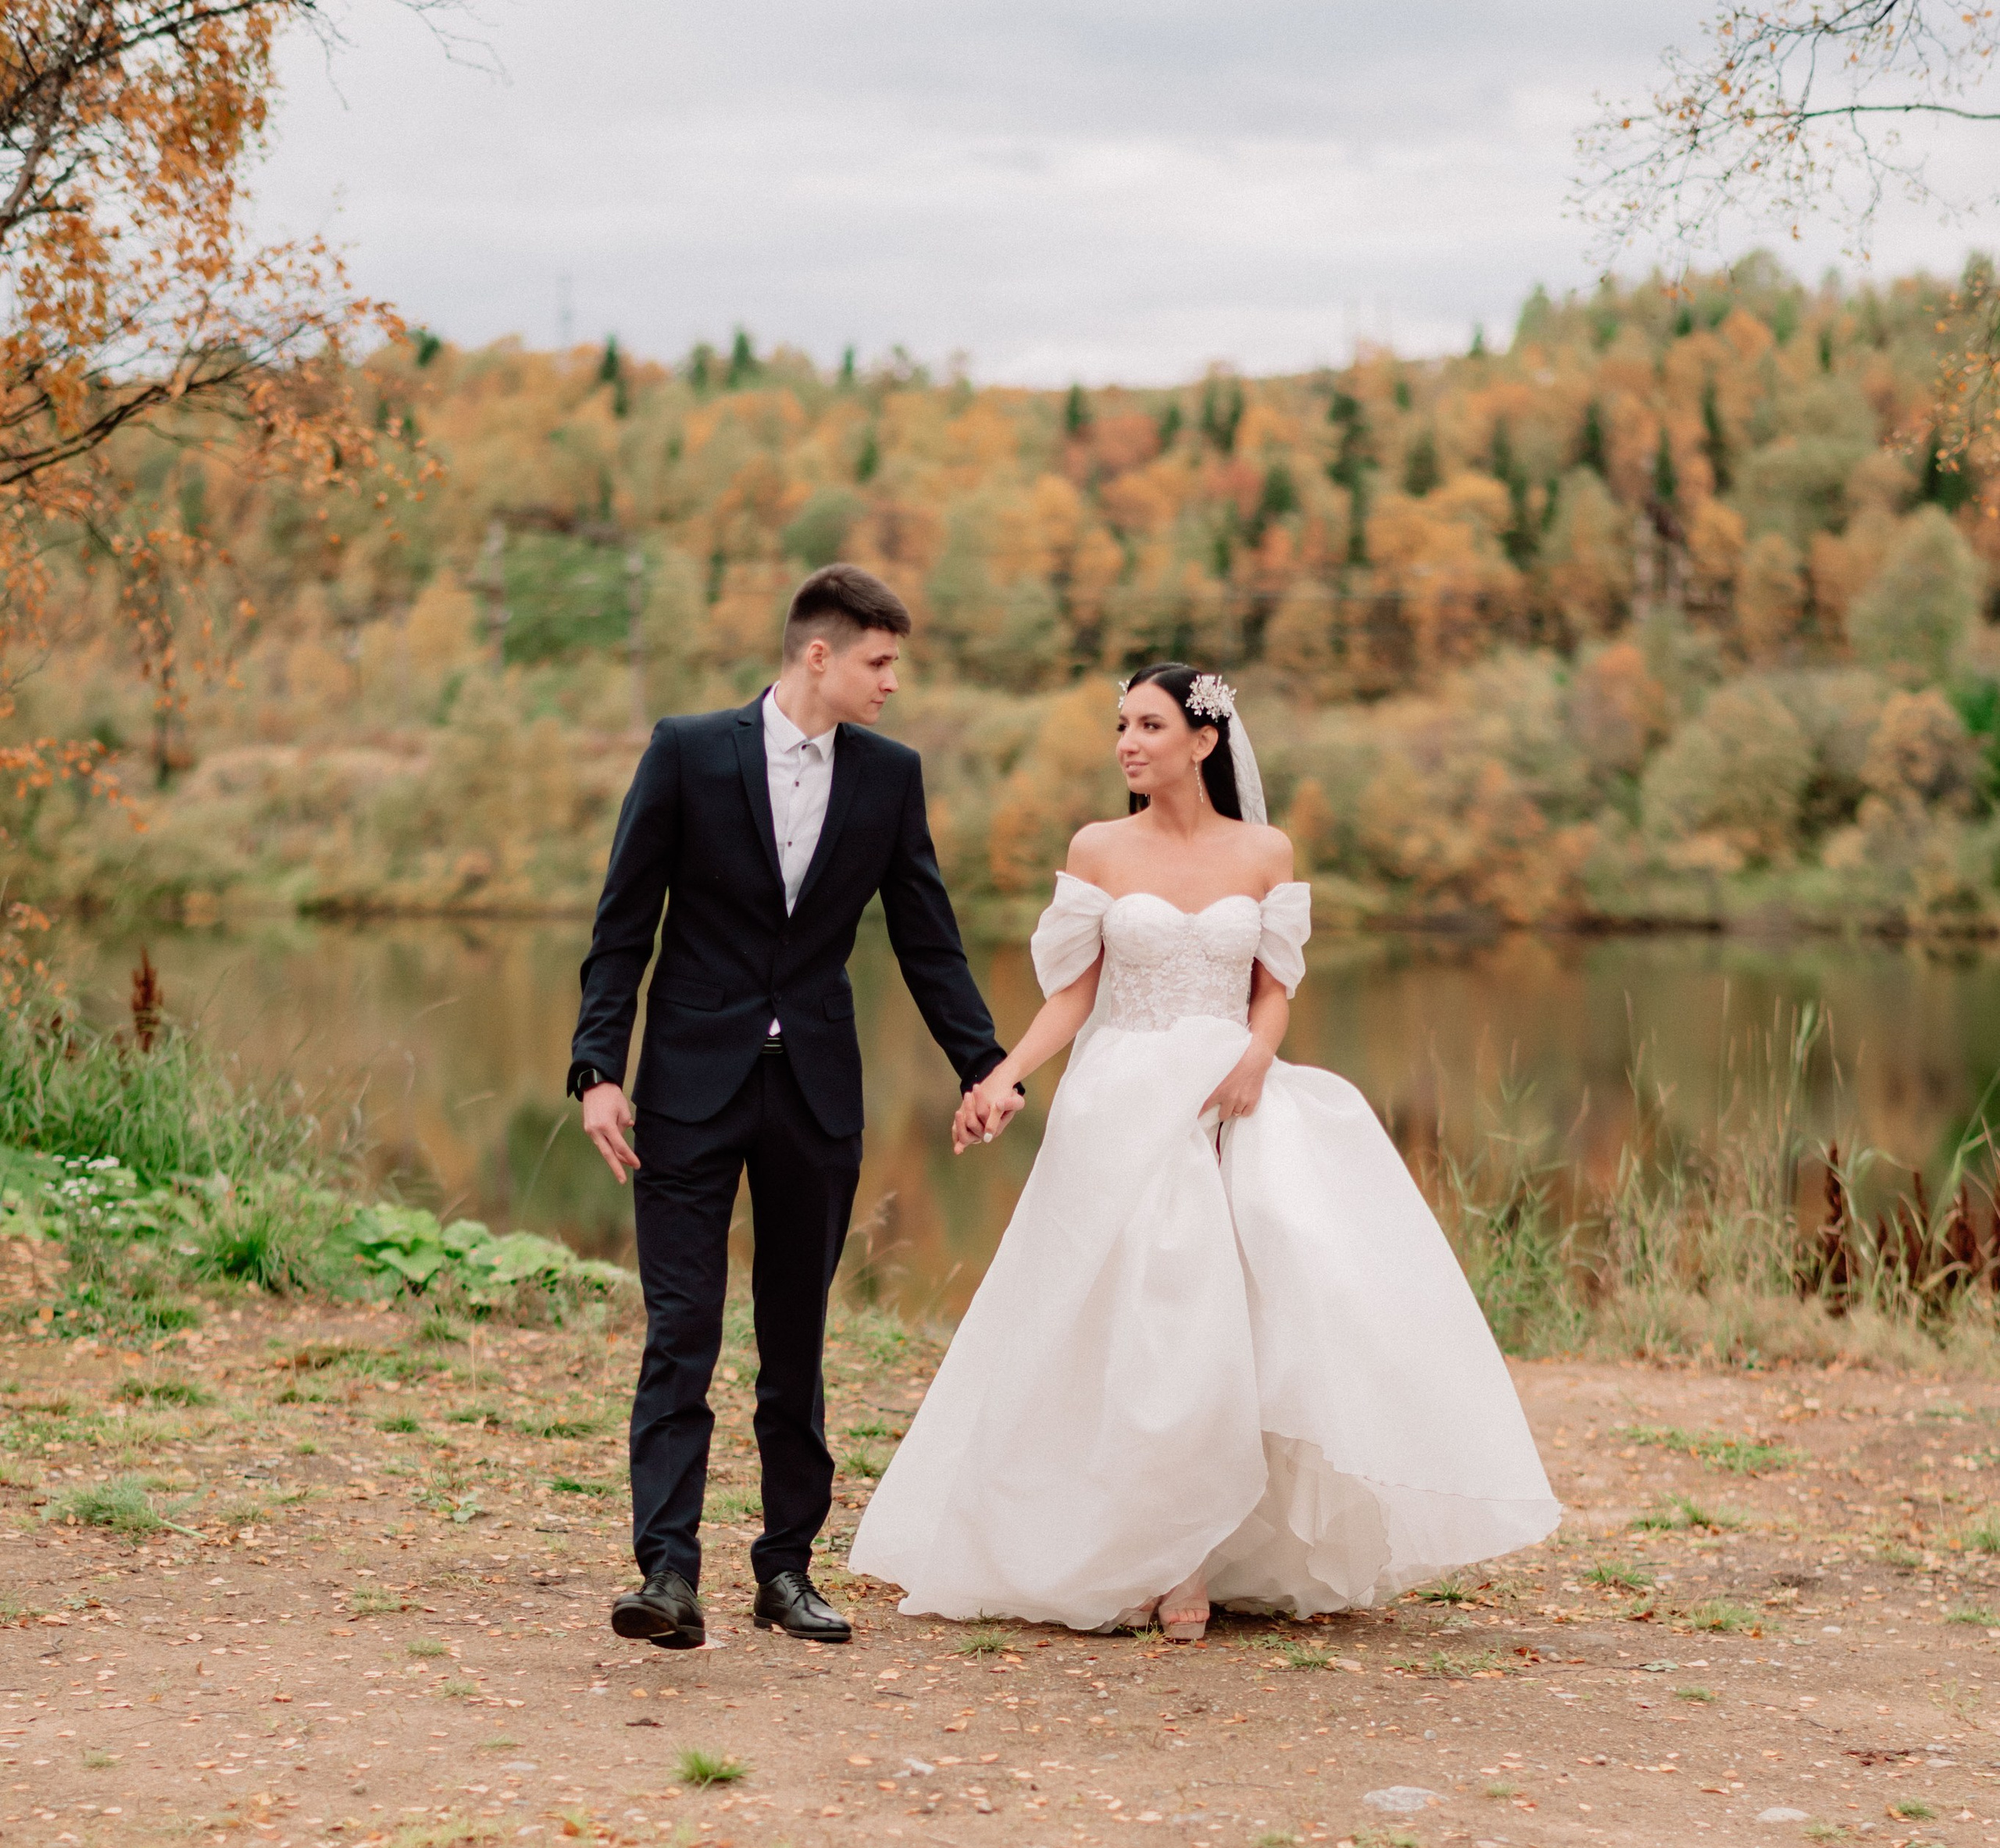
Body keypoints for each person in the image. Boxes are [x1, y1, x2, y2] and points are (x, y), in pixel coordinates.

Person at [850, 663, 1559, 1639]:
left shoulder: (1264, 851)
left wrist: (1256, 1060)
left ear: (1204, 741)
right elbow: (1075, 992)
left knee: (1234, 1321)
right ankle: (1135, 1540)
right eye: (1119, 726)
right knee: (1139, 1321)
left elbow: (1273, 984)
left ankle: (1198, 1555)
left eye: (1148, 725)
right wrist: (1003, 1075)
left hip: (1230, 1092)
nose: (1127, 743)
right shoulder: (1097, 847)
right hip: (1121, 1101)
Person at [568, 562, 1020, 1650]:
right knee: (682, 1332)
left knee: (796, 1338)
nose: (892, 682)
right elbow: (623, 922)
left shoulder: (889, 776)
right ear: (819, 654)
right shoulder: (685, 750)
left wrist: (983, 1064)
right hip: (686, 1086)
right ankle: (668, 1574)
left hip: (815, 1093)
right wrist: (597, 1069)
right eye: (879, 661)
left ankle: (786, 1570)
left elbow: (928, 934)